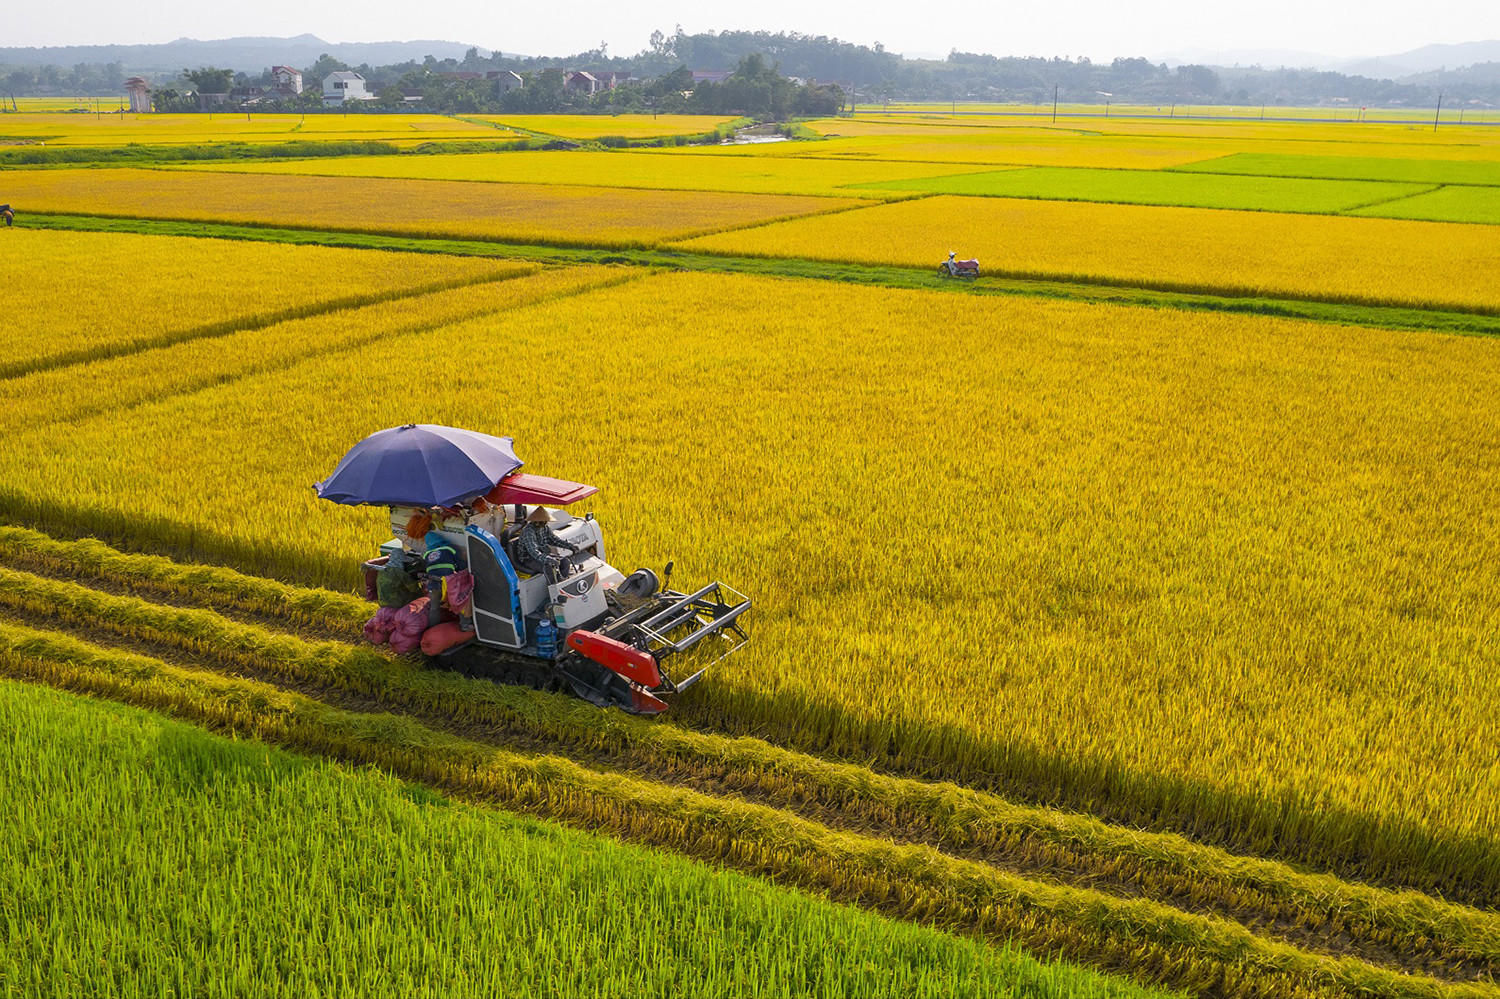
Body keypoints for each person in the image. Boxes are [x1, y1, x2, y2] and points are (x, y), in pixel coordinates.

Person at [518, 507, 579, 585]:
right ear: (536, 521)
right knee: (549, 567)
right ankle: (554, 587)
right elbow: (534, 552)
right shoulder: (528, 532)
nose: (545, 523)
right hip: (529, 558)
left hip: (543, 554)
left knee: (565, 561)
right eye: (543, 521)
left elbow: (554, 540)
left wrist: (569, 545)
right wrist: (549, 559)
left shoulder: (545, 527)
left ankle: (564, 583)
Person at [422, 530, 467, 627]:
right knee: (459, 602)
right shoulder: (449, 549)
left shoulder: (426, 554)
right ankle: (465, 624)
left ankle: (432, 629)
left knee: (434, 607)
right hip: (448, 583)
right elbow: (461, 565)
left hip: (433, 584)